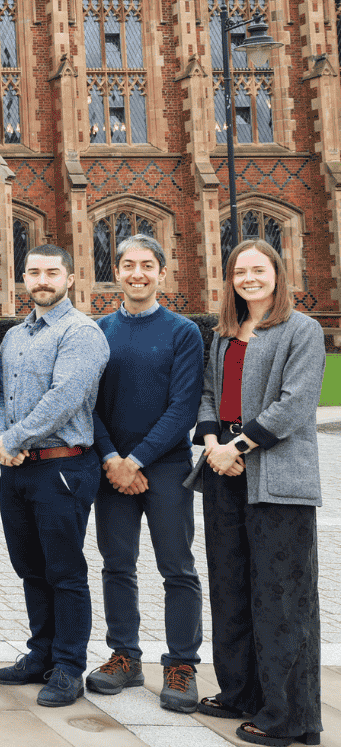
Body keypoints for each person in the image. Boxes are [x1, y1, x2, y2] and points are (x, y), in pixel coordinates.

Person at [187, 240, 326, 747]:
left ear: (277, 273)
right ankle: (241, 691)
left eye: (258, 269)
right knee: (230, 589)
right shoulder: (225, 335)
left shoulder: (302, 330)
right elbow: (207, 392)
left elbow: (294, 404)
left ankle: (289, 717)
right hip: (223, 472)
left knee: (280, 598)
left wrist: (237, 444)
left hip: (277, 479)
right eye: (239, 271)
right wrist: (211, 444)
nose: (249, 278)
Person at [85, 234, 205, 712]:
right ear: (116, 272)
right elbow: (86, 403)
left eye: (147, 265)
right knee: (117, 565)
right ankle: (124, 656)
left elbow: (183, 408)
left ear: (161, 272)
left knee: (176, 567)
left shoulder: (183, 332)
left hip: (167, 468)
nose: (137, 273)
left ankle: (181, 664)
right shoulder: (97, 331)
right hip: (111, 470)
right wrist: (112, 458)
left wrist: (135, 461)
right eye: (128, 265)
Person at [0, 244, 109, 708]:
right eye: (33, 272)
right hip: (18, 470)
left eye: (51, 272)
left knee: (64, 571)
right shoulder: (16, 335)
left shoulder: (82, 332)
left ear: (69, 279)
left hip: (63, 466)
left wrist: (15, 438)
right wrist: (4, 438)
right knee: (30, 568)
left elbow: (66, 397)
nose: (41, 280)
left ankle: (68, 667)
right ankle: (39, 655)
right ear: (23, 278)